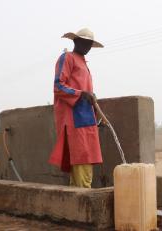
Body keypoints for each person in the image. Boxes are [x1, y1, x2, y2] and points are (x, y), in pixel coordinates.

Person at [49, 28, 104, 188]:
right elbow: (58, 86)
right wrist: (81, 94)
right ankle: (83, 202)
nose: (87, 46)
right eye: (84, 42)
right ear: (75, 41)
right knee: (81, 159)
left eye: (89, 44)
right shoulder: (67, 58)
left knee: (86, 161)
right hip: (73, 117)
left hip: (87, 116)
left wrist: (90, 97)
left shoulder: (83, 62)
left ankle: (77, 202)